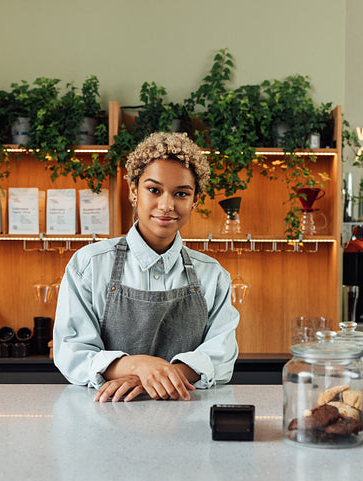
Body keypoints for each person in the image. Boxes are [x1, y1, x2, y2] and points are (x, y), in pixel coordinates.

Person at [53, 132, 239, 402]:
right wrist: (137, 366)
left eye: (181, 194)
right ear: (133, 191)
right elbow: (72, 351)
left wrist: (156, 378)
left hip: (187, 418)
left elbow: (221, 355)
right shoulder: (89, 265)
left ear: (195, 200)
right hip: (105, 417)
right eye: (154, 190)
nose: (166, 205)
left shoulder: (213, 275)